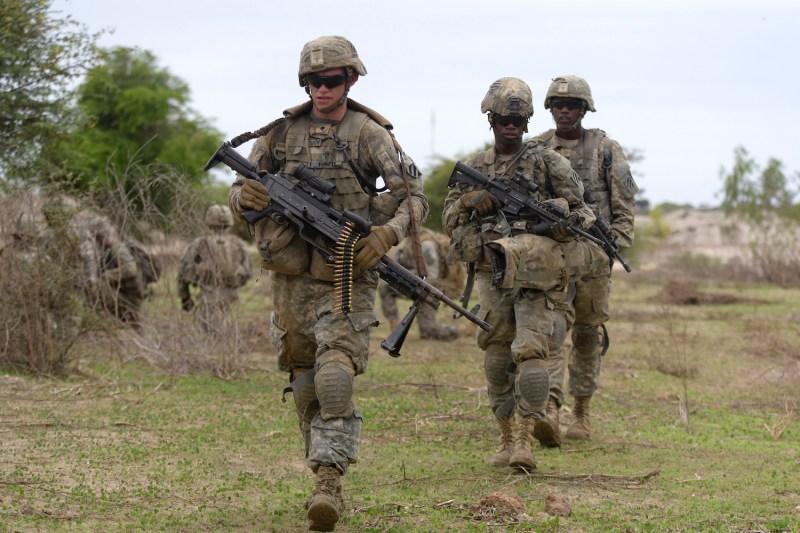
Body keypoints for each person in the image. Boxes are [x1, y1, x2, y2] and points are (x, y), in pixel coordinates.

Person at [227, 36, 428, 531]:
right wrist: (246, 200)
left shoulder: (370, 134)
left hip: (346, 275)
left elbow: (414, 199)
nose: (321, 88)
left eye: (332, 80)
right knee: (304, 386)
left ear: (351, 80)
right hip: (291, 280)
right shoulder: (280, 132)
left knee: (335, 375)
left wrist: (386, 233)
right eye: (313, 81)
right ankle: (320, 465)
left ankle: (329, 484)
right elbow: (239, 193)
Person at [443, 77, 605, 470]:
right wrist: (469, 201)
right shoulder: (476, 167)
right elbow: (448, 217)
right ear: (491, 120)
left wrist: (560, 218)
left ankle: (525, 440)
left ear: (528, 120)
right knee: (497, 356)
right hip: (491, 272)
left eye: (517, 118)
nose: (510, 125)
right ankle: (504, 435)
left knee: (532, 354)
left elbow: (585, 214)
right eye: (502, 118)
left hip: (535, 273)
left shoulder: (550, 163)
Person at [532, 76, 638, 440]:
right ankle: (549, 407)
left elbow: (623, 206)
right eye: (559, 105)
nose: (565, 111)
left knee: (587, 335)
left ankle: (580, 412)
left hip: (594, 256)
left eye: (573, 105)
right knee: (550, 331)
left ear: (585, 109)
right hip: (553, 256)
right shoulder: (536, 149)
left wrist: (614, 246)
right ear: (549, 109)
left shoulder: (606, 149)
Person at [177, 205, 252, 338]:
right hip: (232, 294)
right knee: (223, 323)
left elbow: (183, 269)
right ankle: (223, 347)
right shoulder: (239, 244)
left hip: (209, 293)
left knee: (211, 328)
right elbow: (248, 270)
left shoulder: (200, 243)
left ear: (209, 222)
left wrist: (185, 297)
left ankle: (216, 350)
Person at [378, 227, 464, 341]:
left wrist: (406, 278)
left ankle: (454, 331)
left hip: (429, 291)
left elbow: (431, 278)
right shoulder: (408, 244)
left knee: (428, 332)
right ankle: (394, 326)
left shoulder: (427, 246)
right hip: (415, 286)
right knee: (385, 286)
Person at [90, 218, 145, 330]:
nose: (99, 242)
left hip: (131, 291)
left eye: (100, 238)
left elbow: (130, 269)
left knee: (132, 319)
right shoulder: (103, 250)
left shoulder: (118, 249)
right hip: (120, 289)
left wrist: (108, 275)